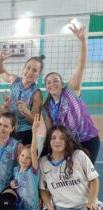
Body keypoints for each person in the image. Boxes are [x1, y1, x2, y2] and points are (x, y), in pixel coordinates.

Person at [39, 125, 102, 210]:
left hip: (85, 205)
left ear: (67, 140)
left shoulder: (78, 155)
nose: (57, 141)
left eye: (62, 138)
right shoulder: (43, 162)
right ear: (49, 142)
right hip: (62, 209)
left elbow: (94, 180)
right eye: (54, 138)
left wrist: (91, 201)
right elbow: (43, 190)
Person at [43, 24, 100, 163]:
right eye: (48, 82)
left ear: (61, 83)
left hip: (88, 140)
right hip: (70, 144)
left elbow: (81, 65)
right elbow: (51, 131)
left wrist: (83, 41)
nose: (52, 84)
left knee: (86, 177)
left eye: (55, 80)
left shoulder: (71, 90)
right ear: (46, 88)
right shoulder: (49, 106)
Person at [0, 50, 44, 145]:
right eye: (28, 68)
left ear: (38, 75)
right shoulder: (14, 80)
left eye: (34, 70)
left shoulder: (36, 94)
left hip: (24, 132)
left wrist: (26, 111)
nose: (30, 72)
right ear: (23, 69)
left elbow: (35, 122)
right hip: (9, 129)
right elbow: (1, 72)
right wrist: (1, 60)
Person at [8, 114, 41, 210]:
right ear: (18, 157)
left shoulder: (33, 172)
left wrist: (35, 131)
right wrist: (11, 184)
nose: (24, 159)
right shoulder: (16, 170)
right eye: (22, 156)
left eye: (28, 158)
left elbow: (33, 151)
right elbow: (15, 185)